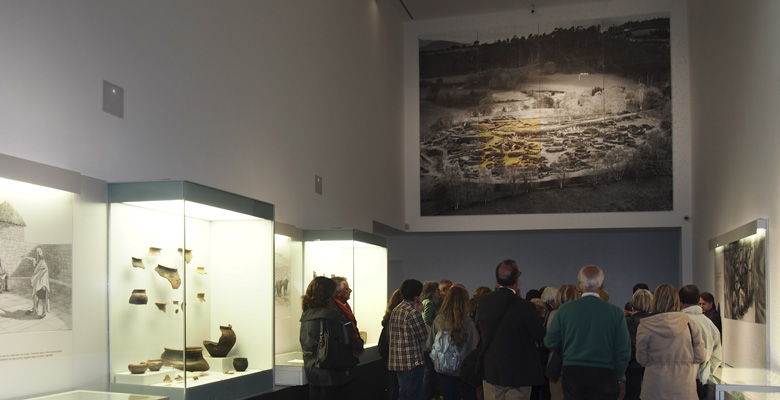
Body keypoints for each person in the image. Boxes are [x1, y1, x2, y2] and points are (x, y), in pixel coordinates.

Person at [544, 265, 630, 400]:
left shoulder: (565, 310)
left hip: (573, 372)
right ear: (601, 284)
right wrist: (618, 375)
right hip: (605, 374)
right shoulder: (616, 313)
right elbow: (623, 351)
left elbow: (550, 341)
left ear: (580, 284)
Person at [476, 259, 545, 400]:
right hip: (520, 372)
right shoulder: (526, 307)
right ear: (517, 279)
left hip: (492, 369)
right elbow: (540, 336)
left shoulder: (483, 302)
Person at [636, 284, 705, 400]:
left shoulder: (645, 325)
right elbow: (700, 356)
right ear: (677, 300)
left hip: (654, 387)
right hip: (684, 388)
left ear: (655, 300)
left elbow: (641, 359)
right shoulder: (689, 323)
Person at [300, 277, 357, 400]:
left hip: (314, 375)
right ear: (329, 294)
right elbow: (348, 343)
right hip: (335, 376)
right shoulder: (334, 317)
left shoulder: (306, 316)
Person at [427, 285, 479, 400]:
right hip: (465, 373)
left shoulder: (438, 320)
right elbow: (474, 347)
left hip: (444, 370)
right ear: (465, 301)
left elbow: (429, 345)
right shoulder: (468, 323)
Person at [679, 285, 722, 399]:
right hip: (701, 379)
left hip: (680, 379)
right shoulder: (708, 323)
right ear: (698, 300)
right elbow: (717, 353)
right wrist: (706, 372)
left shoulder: (676, 322)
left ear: (680, 301)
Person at [389, 279, 427, 400]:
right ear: (416, 296)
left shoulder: (396, 309)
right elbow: (423, 336)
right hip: (412, 361)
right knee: (414, 394)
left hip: (397, 361)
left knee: (404, 393)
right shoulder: (413, 312)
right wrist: (420, 312)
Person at [546, 285, 577, 400]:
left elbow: (550, 340)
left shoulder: (554, 314)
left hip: (556, 363)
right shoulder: (581, 314)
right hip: (576, 364)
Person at [624, 289, 653, 400]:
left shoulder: (628, 321)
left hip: (633, 365)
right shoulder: (656, 320)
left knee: (632, 394)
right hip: (651, 365)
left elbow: (627, 345)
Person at [379, 289, 404, 400]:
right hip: (401, 363)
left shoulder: (388, 321)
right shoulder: (398, 321)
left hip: (389, 361)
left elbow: (382, 347)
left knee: (393, 389)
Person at [331, 276, 364, 357]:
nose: (350, 290)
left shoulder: (345, 307)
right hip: (342, 355)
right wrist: (358, 344)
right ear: (337, 292)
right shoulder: (334, 310)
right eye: (346, 289)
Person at [27, 248, 50, 318]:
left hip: (42, 284)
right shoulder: (38, 262)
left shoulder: (43, 262)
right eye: (36, 253)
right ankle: (35, 309)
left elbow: (45, 270)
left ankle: (43, 313)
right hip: (38, 283)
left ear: (41, 254)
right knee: (35, 296)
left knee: (42, 299)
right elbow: (33, 260)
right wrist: (26, 257)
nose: (37, 254)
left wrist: (37, 277)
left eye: (38, 253)